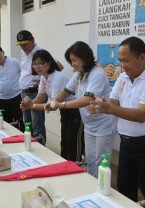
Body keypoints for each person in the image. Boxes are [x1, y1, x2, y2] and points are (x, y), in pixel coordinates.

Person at [88, 36, 145, 207]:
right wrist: (101, 105)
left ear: (142, 58)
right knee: (124, 190)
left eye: (126, 61)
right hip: (126, 144)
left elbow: (141, 115)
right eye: (120, 61)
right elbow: (114, 101)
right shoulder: (123, 77)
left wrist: (108, 108)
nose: (122, 66)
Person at [49, 41, 116, 177]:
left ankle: (101, 190)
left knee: (101, 162)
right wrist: (54, 100)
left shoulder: (97, 74)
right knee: (90, 160)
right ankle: (92, 186)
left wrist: (62, 105)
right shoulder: (78, 75)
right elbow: (65, 91)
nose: (72, 64)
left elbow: (88, 99)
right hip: (89, 125)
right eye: (71, 61)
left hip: (103, 125)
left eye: (74, 60)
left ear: (84, 58)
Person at [20, 49, 84, 161]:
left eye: (41, 63)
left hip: (76, 111)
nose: (37, 66)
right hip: (65, 110)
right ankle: (66, 166)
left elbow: (53, 106)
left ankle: (76, 167)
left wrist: (32, 106)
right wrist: (28, 103)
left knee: (72, 142)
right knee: (64, 140)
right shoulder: (43, 77)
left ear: (49, 63)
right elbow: (39, 98)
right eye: (35, 63)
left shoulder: (57, 77)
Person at [16, 30, 64, 144]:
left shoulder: (40, 52)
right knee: (27, 123)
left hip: (35, 92)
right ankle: (30, 146)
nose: (23, 47)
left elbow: (59, 67)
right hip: (24, 91)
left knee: (37, 124)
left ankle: (40, 148)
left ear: (32, 41)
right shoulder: (24, 52)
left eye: (25, 44)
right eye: (21, 45)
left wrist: (42, 79)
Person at [0, 46, 24, 131]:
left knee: (18, 120)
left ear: (3, 52)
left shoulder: (15, 62)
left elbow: (23, 75)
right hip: (3, 99)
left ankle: (20, 137)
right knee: (6, 122)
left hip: (16, 96)